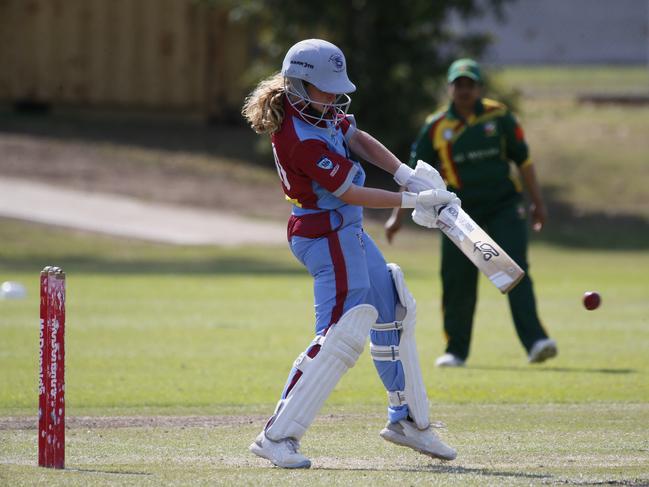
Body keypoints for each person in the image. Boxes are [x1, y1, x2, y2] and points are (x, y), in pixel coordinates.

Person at [241, 39, 459, 469]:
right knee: (341, 333)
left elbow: (358, 138)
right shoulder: (300, 137)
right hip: (324, 234)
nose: (335, 96)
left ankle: (408, 421)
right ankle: (277, 435)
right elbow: (350, 191)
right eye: (326, 88)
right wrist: (415, 202)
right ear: (299, 85)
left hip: (345, 228)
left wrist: (407, 176)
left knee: (392, 305)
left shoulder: (319, 111)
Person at [385, 58, 557, 367]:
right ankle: (456, 350)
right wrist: (396, 216)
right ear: (450, 88)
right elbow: (412, 175)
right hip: (457, 214)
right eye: (458, 84)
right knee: (457, 280)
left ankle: (536, 342)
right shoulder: (436, 126)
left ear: (479, 87)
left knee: (513, 269)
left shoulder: (500, 117)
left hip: (504, 206)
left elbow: (524, 160)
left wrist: (538, 203)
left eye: (470, 84)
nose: (464, 90)